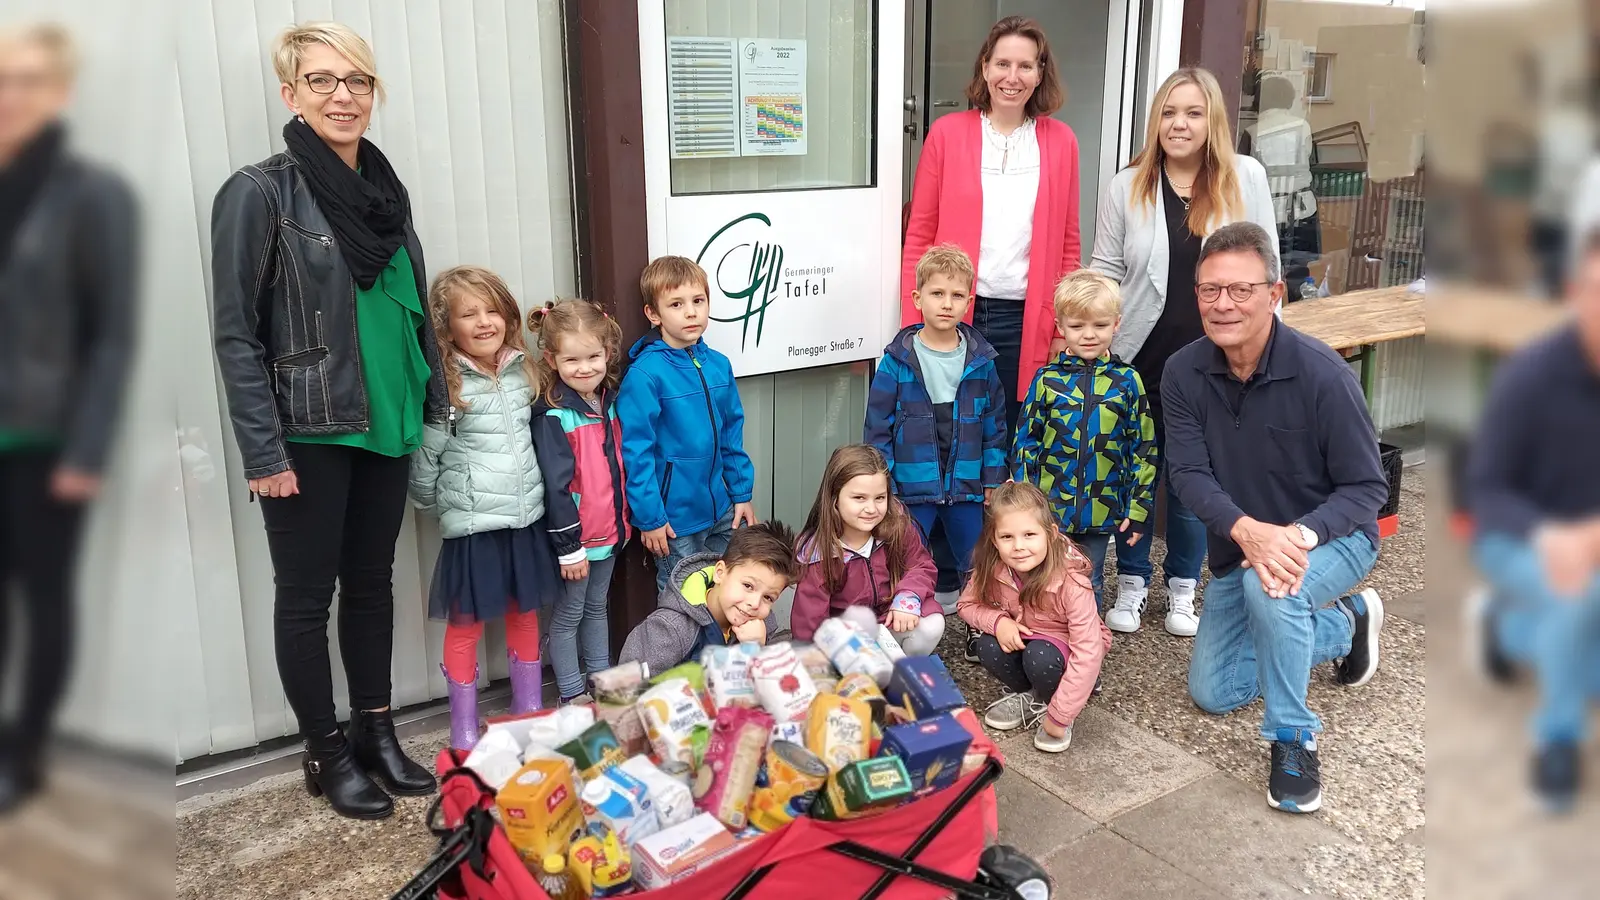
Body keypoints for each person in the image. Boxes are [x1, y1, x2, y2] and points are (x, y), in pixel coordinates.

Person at [211, 22, 445, 819]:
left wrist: (433, 398)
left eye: (357, 82)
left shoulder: (383, 189)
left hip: (385, 420)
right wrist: (261, 449)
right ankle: (327, 751)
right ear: (291, 94)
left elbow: (410, 312)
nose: (343, 96)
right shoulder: (260, 191)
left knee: (373, 585)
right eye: (322, 81)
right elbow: (236, 332)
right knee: (307, 598)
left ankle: (376, 732)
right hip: (309, 432)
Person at [1164, 221, 1388, 814]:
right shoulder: (1182, 373)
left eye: (1241, 290)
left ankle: (1292, 738)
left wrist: (1294, 538)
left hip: (1335, 536)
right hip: (1243, 544)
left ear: (1275, 293)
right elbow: (1187, 476)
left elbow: (1368, 488)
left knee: (1277, 591)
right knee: (1213, 693)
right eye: (1210, 290)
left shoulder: (1324, 374)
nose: (1223, 304)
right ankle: (1346, 625)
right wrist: (1247, 531)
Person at [0, 22, 137, 813]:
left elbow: (112, 333)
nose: (12, 95)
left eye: (30, 80)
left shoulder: (92, 196)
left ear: (60, 93)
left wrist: (87, 448)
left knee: (43, 598)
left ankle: (26, 753)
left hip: (45, 440)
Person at [1091, 67, 1278, 638]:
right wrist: (1087, 334)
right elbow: (1105, 268)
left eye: (1193, 113)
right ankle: (1132, 581)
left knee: (1196, 481)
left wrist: (1267, 351)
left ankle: (1180, 588)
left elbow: (1265, 267)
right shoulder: (1127, 184)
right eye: (1170, 113)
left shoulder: (1244, 176)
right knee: (1133, 477)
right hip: (1140, 356)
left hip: (1214, 358)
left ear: (1212, 119)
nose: (1180, 124)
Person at [901, 15, 1081, 441]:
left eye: (1025, 66)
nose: (1012, 77)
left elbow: (1069, 246)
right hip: (954, 311)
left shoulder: (1061, 142)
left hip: (1025, 318)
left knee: (1012, 437)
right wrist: (914, 323)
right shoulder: (946, 134)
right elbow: (919, 239)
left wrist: (1061, 327)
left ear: (1040, 74)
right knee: (947, 432)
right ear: (985, 68)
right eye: (1002, 64)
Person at [1470, 229, 1600, 812]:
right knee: (1578, 598)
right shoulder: (1530, 375)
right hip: (1522, 537)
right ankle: (1558, 740)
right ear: (1575, 293)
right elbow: (1485, 490)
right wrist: (1552, 538)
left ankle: (1509, 630)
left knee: (1575, 652)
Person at [411, 267, 559, 752]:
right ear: (446, 327)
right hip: (474, 527)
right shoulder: (446, 383)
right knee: (466, 624)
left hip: (524, 521)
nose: (482, 322)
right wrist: (442, 506)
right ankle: (464, 727)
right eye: (467, 314)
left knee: (524, 615)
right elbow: (427, 458)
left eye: (491, 310)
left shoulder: (525, 371)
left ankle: (528, 711)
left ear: (508, 316)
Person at [864, 243, 1007, 658]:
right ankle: (893, 629)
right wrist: (883, 483)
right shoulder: (897, 361)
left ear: (969, 301)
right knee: (899, 556)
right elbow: (878, 429)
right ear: (917, 299)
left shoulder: (981, 360)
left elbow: (996, 426)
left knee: (976, 562)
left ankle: (980, 632)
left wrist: (993, 478)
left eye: (957, 295)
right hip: (911, 485)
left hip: (966, 483)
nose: (947, 304)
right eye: (937, 294)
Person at [1012, 270, 1156, 615]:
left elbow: (1144, 449)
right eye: (1077, 326)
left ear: (1116, 324)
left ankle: (1085, 650)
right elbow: (1024, 442)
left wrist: (1137, 510)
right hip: (1049, 509)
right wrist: (1025, 503)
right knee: (1042, 579)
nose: (1089, 335)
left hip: (1101, 506)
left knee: (1087, 580)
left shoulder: (1128, 381)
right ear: (1061, 325)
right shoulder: (1047, 380)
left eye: (1099, 325)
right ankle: (1045, 643)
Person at [618, 255, 758, 592]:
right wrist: (650, 517)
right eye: (676, 304)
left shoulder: (718, 365)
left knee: (728, 590)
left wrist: (741, 493)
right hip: (674, 519)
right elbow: (636, 451)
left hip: (721, 509)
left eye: (698, 301)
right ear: (654, 314)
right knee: (683, 600)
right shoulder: (646, 374)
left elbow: (730, 435)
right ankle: (686, 649)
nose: (691, 312)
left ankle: (720, 648)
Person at [958, 483, 1111, 753]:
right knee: (988, 646)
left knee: (1040, 658)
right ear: (994, 539)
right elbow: (966, 605)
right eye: (1007, 537)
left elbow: (1088, 650)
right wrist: (998, 622)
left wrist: (1059, 718)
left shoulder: (1072, 582)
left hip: (1063, 647)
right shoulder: (992, 567)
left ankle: (1057, 701)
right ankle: (1031, 695)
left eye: (1029, 534)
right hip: (1028, 636)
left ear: (1050, 534)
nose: (1019, 547)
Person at [529, 299, 631, 706]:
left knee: (597, 607)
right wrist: (568, 548)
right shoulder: (554, 414)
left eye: (594, 356)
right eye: (572, 360)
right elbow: (555, 486)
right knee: (569, 615)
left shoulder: (610, 402)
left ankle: (601, 681)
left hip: (609, 531)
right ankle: (572, 692)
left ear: (608, 353)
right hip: (576, 540)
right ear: (552, 360)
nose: (584, 367)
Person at [790, 445, 943, 654]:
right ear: (834, 500)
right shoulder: (819, 553)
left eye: (880, 498)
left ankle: (902, 669)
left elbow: (921, 564)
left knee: (932, 623)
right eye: (859, 498)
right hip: (845, 637)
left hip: (889, 619)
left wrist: (908, 595)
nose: (871, 509)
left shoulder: (897, 526)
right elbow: (809, 622)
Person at [618, 522, 799, 675]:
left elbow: (774, 689)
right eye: (748, 586)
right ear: (720, 573)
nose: (755, 603)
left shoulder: (761, 626)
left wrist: (756, 650)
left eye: (768, 597)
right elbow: (622, 690)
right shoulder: (674, 628)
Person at [1239, 74, 1319, 292]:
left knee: (1263, 266)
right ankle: (1300, 309)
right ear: (1288, 99)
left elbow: (1241, 174)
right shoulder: (1303, 126)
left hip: (1269, 209)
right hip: (1302, 208)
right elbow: (1310, 160)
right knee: (1299, 269)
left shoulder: (1251, 132)